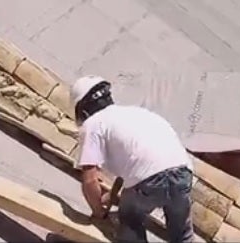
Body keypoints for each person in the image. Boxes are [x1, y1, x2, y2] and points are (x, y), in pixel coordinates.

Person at [72, 76, 194, 243]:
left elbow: (89, 180)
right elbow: (135, 163)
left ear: (83, 110)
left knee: (130, 219)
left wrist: (99, 212)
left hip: (150, 182)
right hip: (183, 173)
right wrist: (113, 195)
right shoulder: (134, 113)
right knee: (182, 236)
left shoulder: (92, 124)